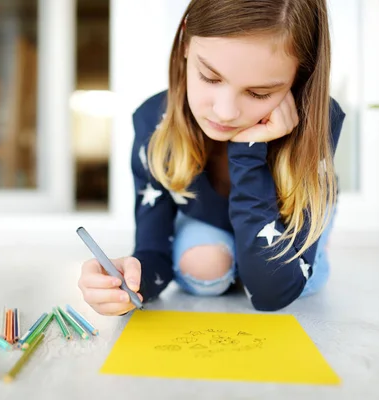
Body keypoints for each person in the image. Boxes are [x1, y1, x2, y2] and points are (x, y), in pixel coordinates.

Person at [78, 0, 346, 314]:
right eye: (210, 77)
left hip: (285, 220)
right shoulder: (153, 121)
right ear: (185, 41)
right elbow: (153, 254)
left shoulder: (320, 121)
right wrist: (127, 283)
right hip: (210, 216)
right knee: (204, 266)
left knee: (293, 281)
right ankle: (238, 259)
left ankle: (310, 248)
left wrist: (248, 151)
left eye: (259, 93)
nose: (226, 112)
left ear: (299, 78)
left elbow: (272, 295)